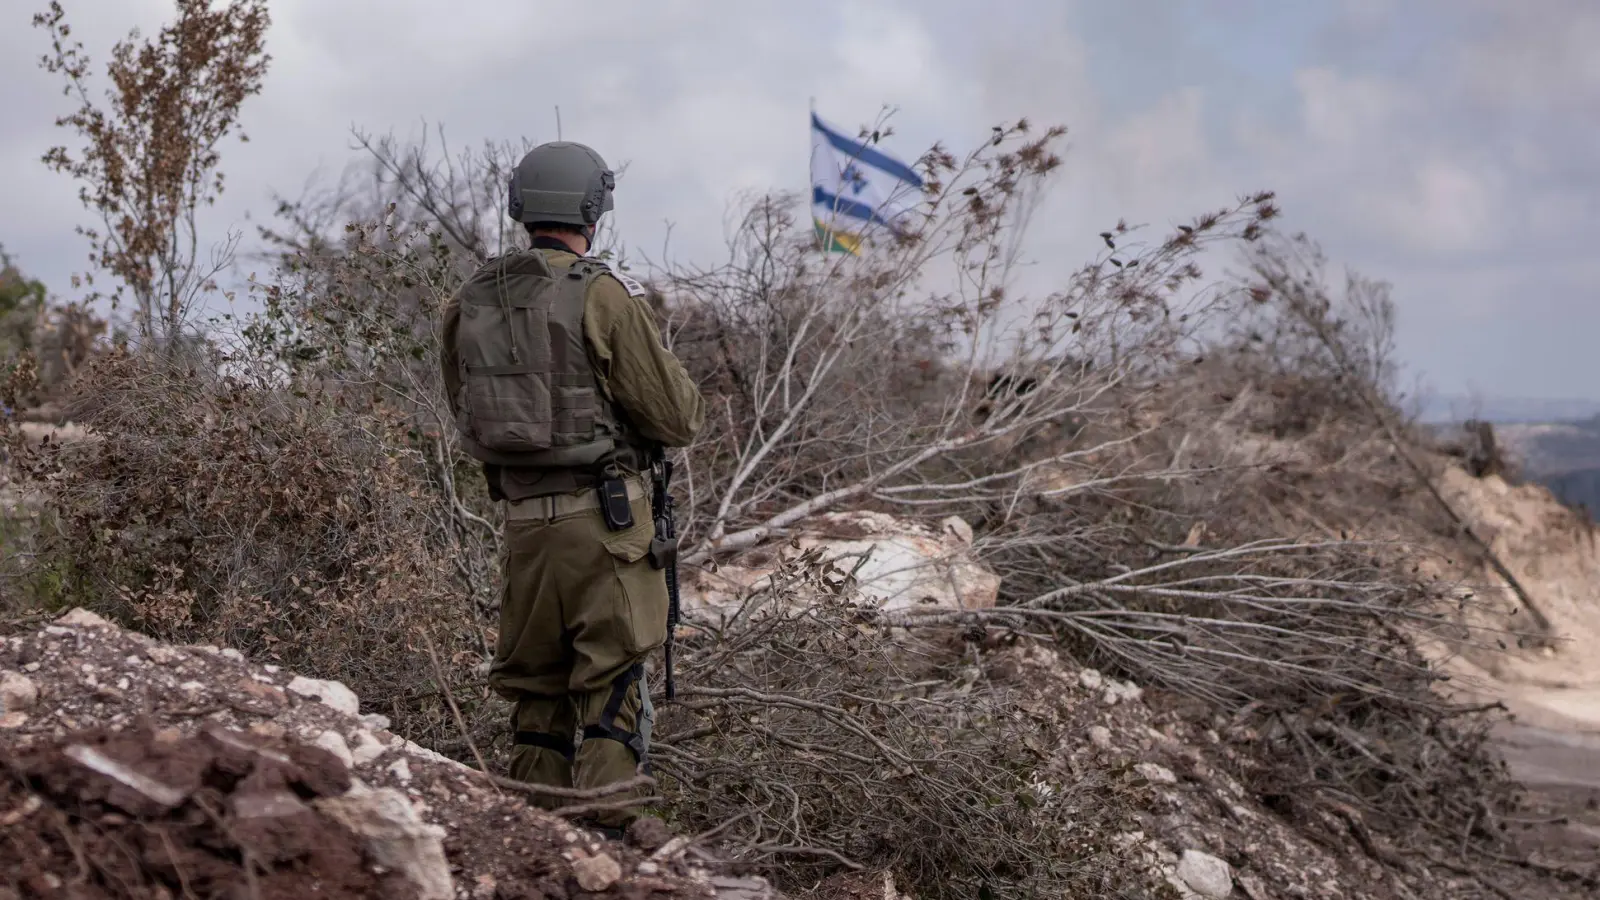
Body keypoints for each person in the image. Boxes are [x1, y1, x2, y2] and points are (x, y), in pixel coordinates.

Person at [438, 140, 705, 836]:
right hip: (608, 529)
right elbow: (676, 419)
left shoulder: (469, 300)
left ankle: (534, 844)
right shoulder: (601, 293)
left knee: (535, 695)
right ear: (593, 208)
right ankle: (609, 844)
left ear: (522, 207)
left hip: (524, 528)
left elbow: (460, 404)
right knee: (611, 682)